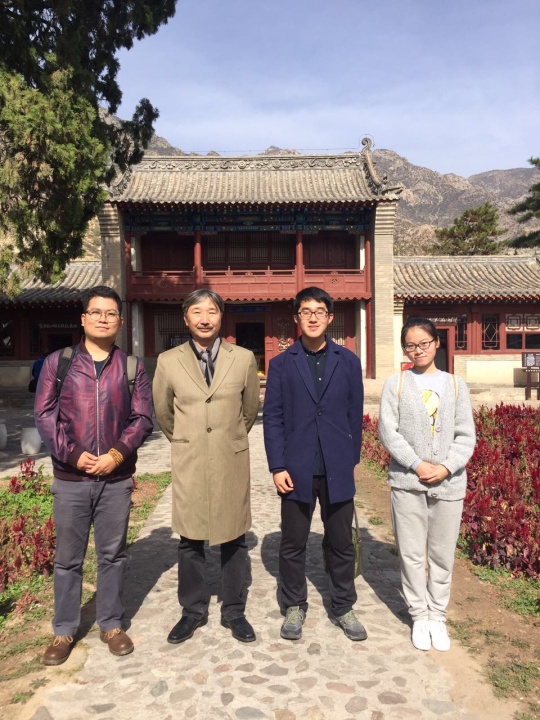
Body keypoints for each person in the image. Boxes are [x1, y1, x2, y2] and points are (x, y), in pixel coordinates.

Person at [34, 285, 153, 665]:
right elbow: (45, 415)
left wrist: (116, 454)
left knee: (112, 555)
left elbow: (142, 418)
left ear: (121, 321)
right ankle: (64, 629)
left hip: (115, 480)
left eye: (111, 313)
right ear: (83, 318)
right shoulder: (59, 363)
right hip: (71, 479)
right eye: (96, 312)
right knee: (68, 558)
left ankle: (112, 624)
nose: (104, 319)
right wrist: (73, 455)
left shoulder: (131, 367)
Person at [153, 289, 260, 644]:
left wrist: (225, 438)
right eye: (196, 311)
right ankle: (193, 610)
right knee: (190, 539)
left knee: (234, 538)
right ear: (185, 318)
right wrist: (189, 439)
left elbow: (249, 410)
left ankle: (234, 611)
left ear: (221, 317)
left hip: (230, 458)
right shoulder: (168, 361)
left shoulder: (243, 358)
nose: (204, 318)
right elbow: (164, 412)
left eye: (211, 311)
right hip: (191, 458)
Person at [263, 287, 366, 641]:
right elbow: (273, 418)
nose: (312, 317)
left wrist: (350, 459)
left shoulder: (348, 361)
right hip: (296, 467)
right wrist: (277, 466)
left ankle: (343, 606)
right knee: (293, 543)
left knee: (341, 542)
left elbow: (354, 415)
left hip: (337, 464)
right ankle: (294, 604)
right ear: (296, 318)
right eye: (305, 311)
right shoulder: (281, 364)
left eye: (319, 311)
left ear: (330, 317)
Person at [378, 316, 476, 652]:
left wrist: (446, 467)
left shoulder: (455, 385)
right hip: (407, 481)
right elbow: (388, 431)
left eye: (424, 343)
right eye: (410, 345)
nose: (417, 350)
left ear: (436, 343)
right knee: (411, 554)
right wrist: (417, 464)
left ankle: (438, 615)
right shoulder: (396, 384)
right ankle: (419, 615)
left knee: (442, 555)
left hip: (449, 484)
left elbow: (466, 434)